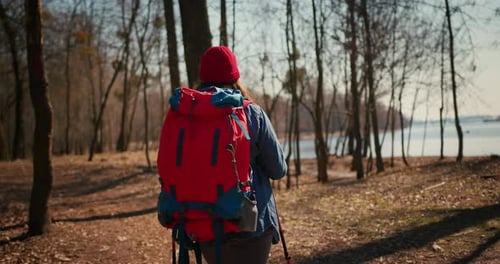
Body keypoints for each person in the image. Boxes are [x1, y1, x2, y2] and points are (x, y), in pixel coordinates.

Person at [195, 46, 287, 264]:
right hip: (251, 223)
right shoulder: (251, 112)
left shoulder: (189, 116)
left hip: (205, 223)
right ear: (234, 76)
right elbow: (278, 169)